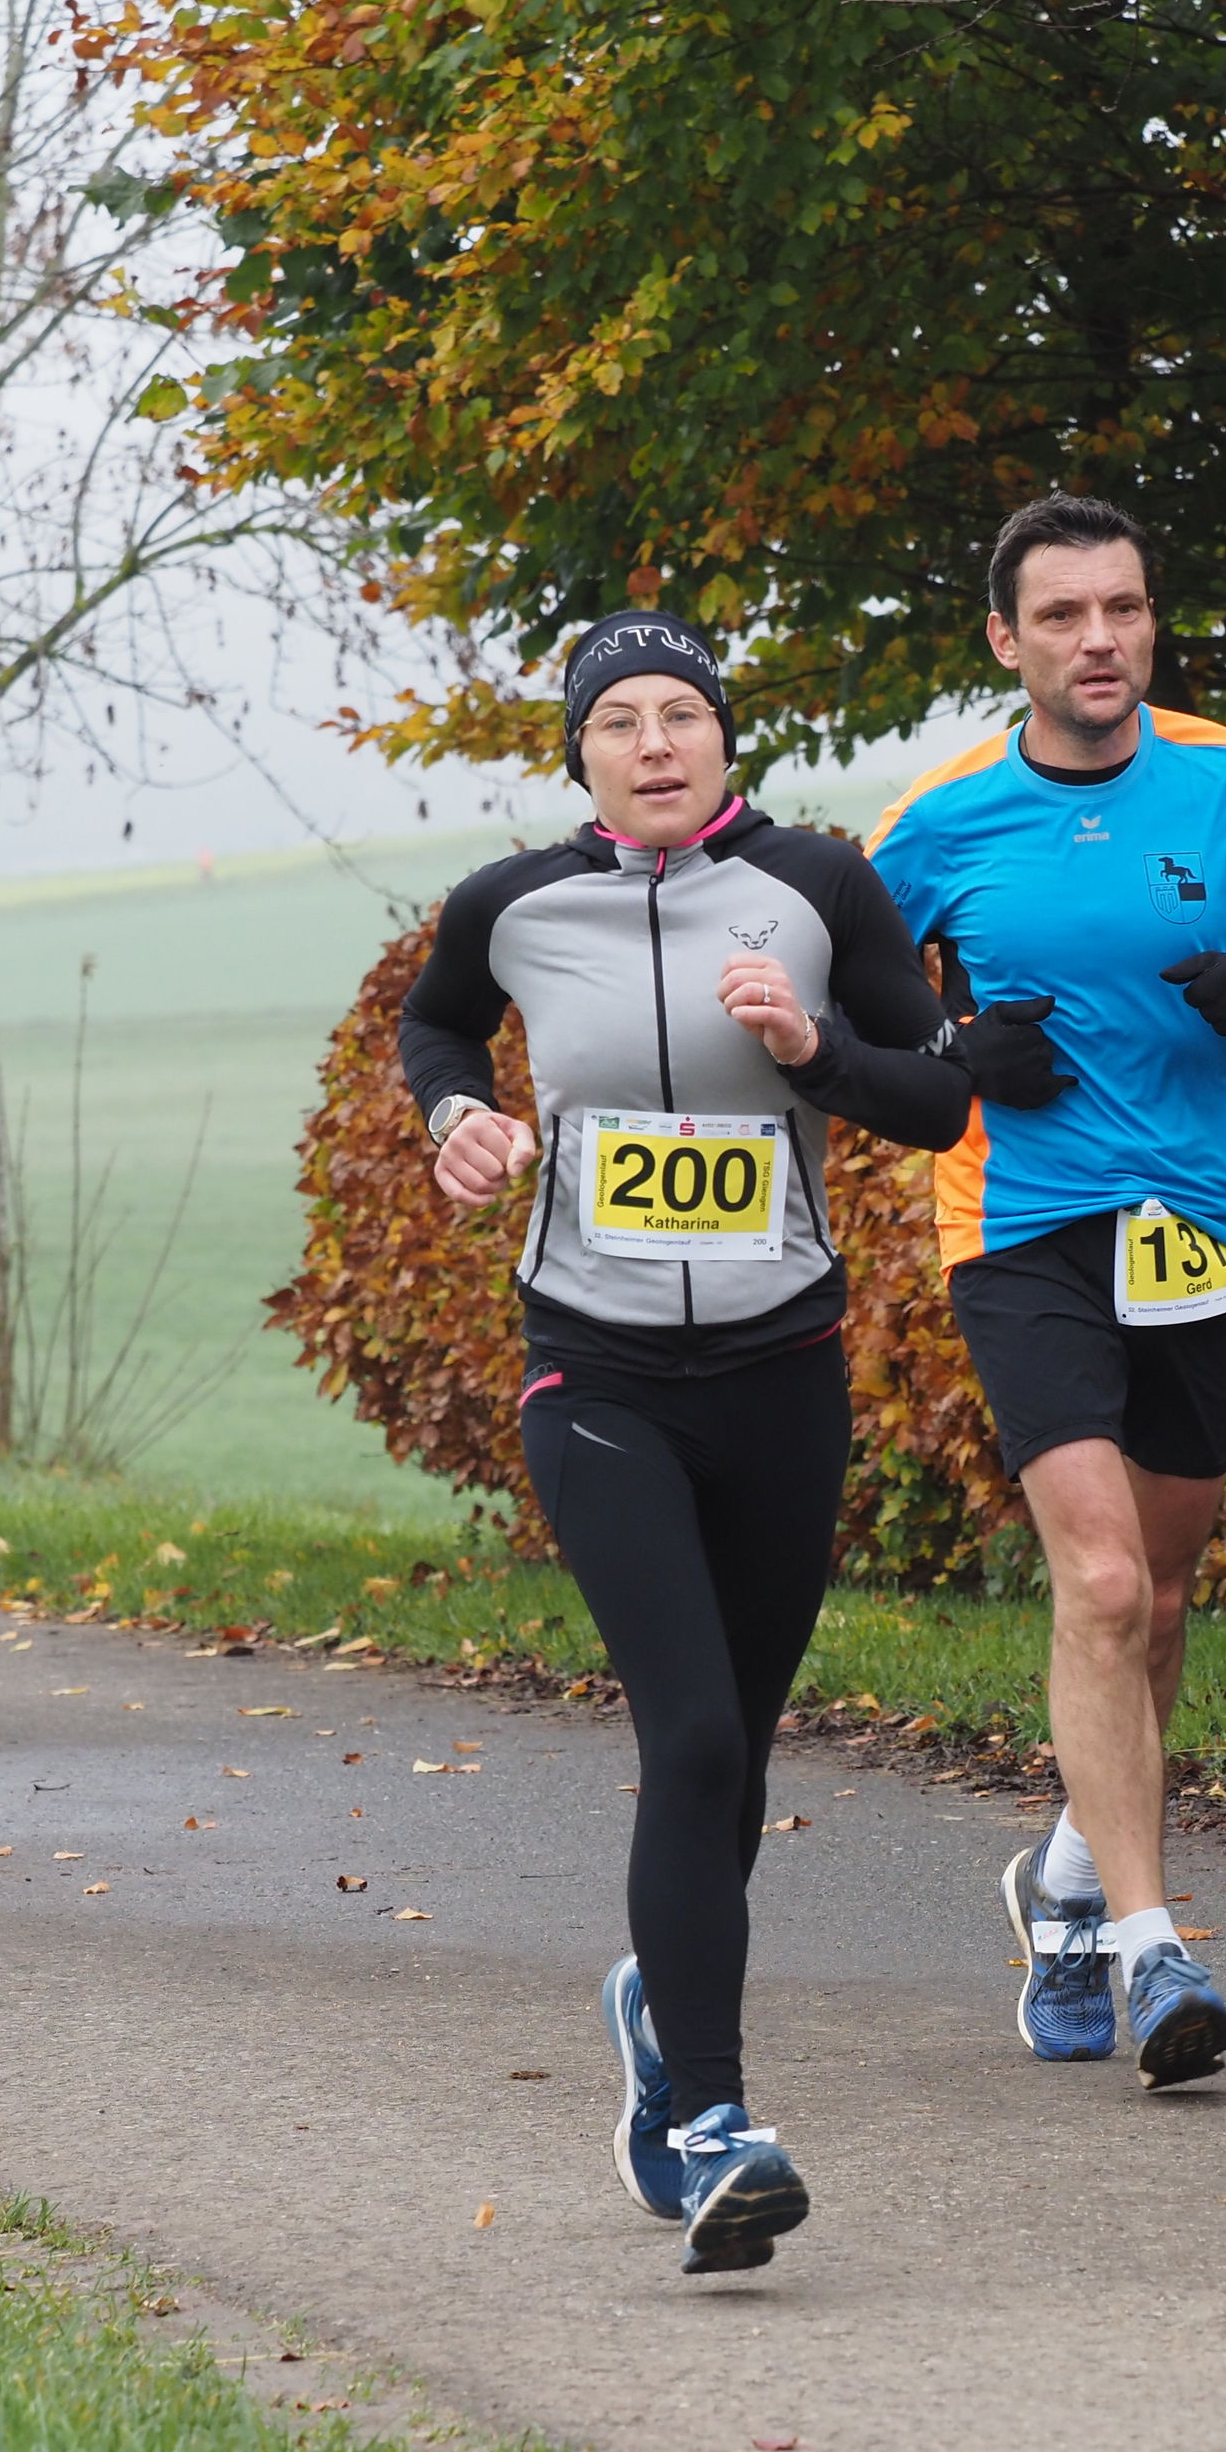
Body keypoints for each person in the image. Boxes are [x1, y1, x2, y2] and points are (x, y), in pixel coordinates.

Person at [402, 610, 974, 2273]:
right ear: (579, 754)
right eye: (619, 721)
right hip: (597, 1378)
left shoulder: (821, 887)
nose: (654, 744)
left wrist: (811, 1049)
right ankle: (717, 2123)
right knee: (696, 1736)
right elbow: (436, 1024)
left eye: (682, 715)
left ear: (725, 739)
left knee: (741, 1750)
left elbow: (937, 1095)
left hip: (782, 1375)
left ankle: (662, 2019)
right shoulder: (512, 905)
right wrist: (457, 1114)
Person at [868, 494, 1226, 2088]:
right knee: (1101, 1588)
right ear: (1006, 641)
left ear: (1151, 621)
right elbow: (849, 1029)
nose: (1099, 640)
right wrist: (959, 1050)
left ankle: (1066, 1880)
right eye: (1063, 616)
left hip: (1201, 1235)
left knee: (1160, 1602)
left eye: (1124, 609)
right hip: (1022, 1230)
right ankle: (1152, 1948)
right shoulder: (939, 824)